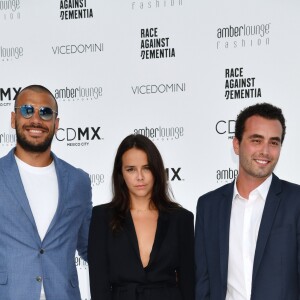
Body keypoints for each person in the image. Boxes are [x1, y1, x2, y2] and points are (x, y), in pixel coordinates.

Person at [195, 102, 300, 300]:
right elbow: (204, 282)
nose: (266, 151)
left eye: (274, 142)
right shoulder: (209, 206)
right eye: (256, 140)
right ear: (236, 144)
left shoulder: (296, 201)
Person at [0, 85, 92, 300]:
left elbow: (89, 247)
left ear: (56, 124)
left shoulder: (78, 181)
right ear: (13, 119)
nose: (36, 119)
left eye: (45, 112)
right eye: (27, 110)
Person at [88, 134, 195, 300]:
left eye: (146, 168)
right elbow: (99, 286)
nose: (140, 177)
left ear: (156, 170)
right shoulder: (102, 217)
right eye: (131, 169)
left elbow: (189, 284)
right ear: (120, 173)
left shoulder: (181, 219)